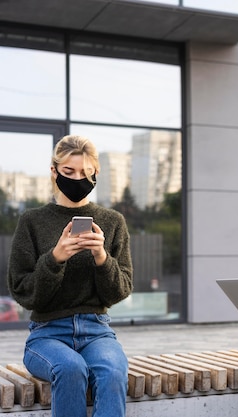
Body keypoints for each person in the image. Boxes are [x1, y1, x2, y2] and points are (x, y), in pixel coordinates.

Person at [7, 135, 133, 417]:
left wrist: (102, 258)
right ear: (54, 171)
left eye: (86, 173)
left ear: (96, 174)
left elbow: (120, 290)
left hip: (97, 330)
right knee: (71, 368)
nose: (78, 179)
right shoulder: (32, 222)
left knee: (113, 371)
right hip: (47, 334)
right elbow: (23, 291)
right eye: (69, 172)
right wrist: (55, 258)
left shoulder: (113, 222)